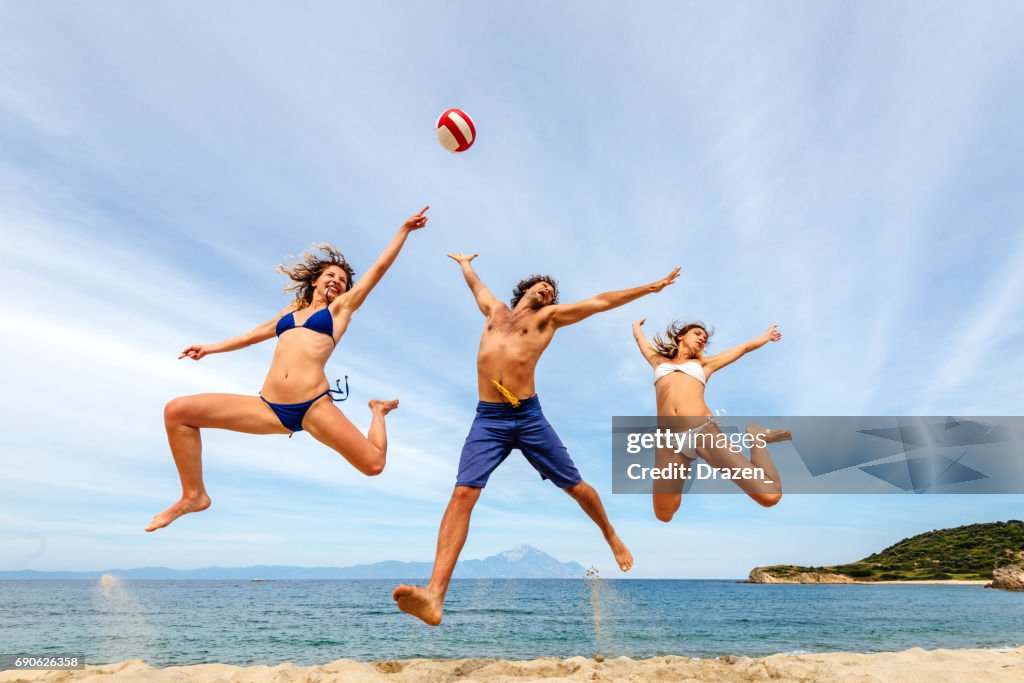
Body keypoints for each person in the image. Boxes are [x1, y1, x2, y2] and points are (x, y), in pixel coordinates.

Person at [392, 253, 680, 625]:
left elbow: (600, 302)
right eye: (542, 285)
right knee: (463, 493)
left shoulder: (548, 318)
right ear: (525, 288)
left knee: (576, 487)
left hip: (528, 416)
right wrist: (464, 264)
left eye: (553, 291)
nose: (548, 290)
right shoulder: (495, 311)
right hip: (489, 419)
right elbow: (476, 286)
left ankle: (610, 534)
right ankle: (434, 594)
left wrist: (650, 287)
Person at [145, 207, 429, 532]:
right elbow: (252, 336)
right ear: (315, 280)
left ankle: (377, 410)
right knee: (177, 412)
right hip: (269, 407)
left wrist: (403, 231)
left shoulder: (341, 310)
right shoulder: (290, 312)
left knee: (374, 465)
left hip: (313, 406)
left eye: (342, 280)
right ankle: (193, 495)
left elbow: (378, 269)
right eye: (330, 276)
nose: (336, 282)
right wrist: (209, 348)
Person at [631, 318, 788, 522]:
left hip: (702, 432)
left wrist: (765, 337)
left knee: (770, 495)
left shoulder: (704, 364)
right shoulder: (658, 361)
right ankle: (679, 477)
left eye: (705, 339)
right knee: (664, 513)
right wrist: (636, 327)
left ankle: (757, 437)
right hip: (669, 443)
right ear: (681, 336)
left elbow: (744, 348)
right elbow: (640, 340)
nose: (702, 339)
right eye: (697, 334)